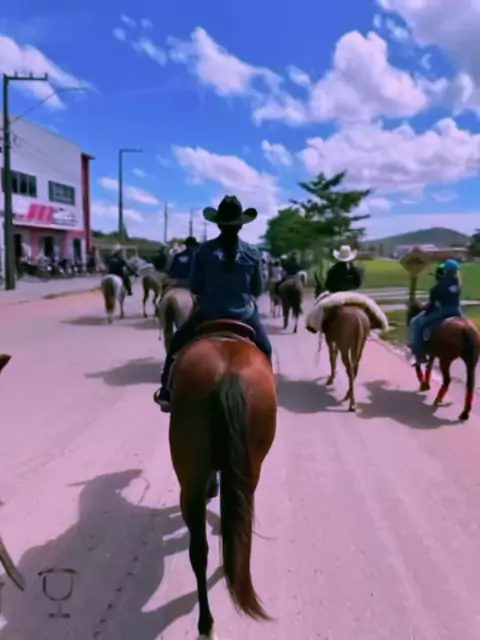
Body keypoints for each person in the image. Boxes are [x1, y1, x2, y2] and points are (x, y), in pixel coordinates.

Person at [153, 195, 272, 413]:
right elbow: (257, 290)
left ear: (218, 224)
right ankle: (269, 396)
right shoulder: (253, 253)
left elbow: (196, 286)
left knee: (176, 344)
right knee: (266, 349)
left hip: (208, 314)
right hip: (244, 316)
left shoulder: (204, 251)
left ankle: (166, 392)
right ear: (241, 225)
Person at [409, 258, 463, 364]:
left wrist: (424, 308)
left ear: (445, 271)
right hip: (457, 311)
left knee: (416, 322)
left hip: (443, 312)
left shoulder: (439, 286)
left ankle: (419, 352)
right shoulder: (458, 284)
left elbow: (432, 306)